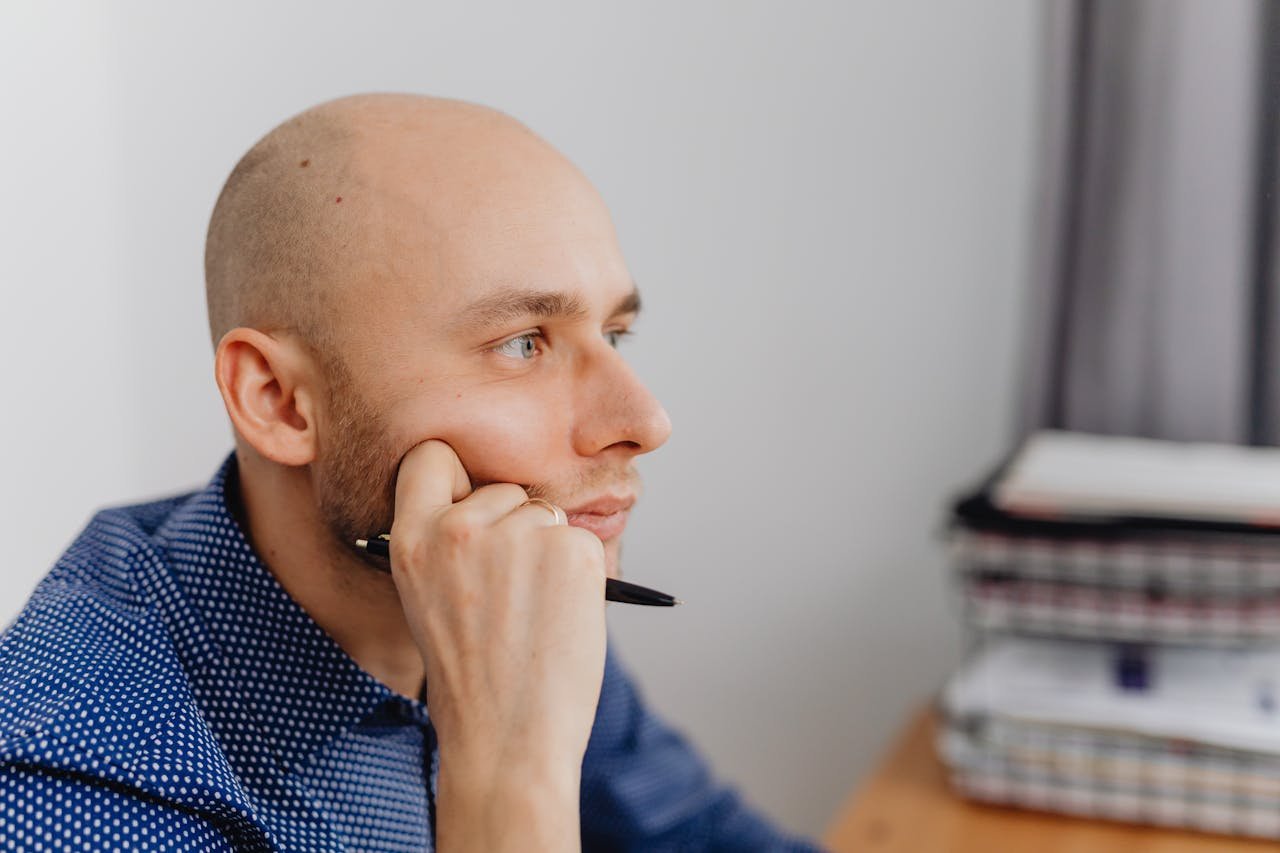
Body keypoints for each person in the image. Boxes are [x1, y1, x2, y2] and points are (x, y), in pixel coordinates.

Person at [0, 94, 825, 851]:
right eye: (521, 343)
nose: (646, 423)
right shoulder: (72, 786)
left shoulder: (505, 577)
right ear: (281, 400)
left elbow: (694, 831)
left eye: (615, 334)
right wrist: (507, 775)